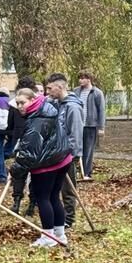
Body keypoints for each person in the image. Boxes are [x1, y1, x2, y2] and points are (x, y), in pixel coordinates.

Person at [11, 87, 73, 248]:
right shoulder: (48, 109)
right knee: (54, 197)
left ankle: (48, 237)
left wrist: (16, 170)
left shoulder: (36, 120)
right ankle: (60, 235)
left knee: (43, 198)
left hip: (47, 164)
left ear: (32, 100)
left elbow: (30, 152)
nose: (19, 106)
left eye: (22, 103)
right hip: (62, 159)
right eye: (17, 103)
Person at [44, 73, 84, 232]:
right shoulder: (58, 104)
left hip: (67, 155)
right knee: (55, 188)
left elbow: (75, 133)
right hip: (56, 153)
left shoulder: (72, 107)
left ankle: (69, 219)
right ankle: (59, 217)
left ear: (60, 87)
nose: (47, 92)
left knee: (68, 188)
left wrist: (71, 156)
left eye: (49, 88)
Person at [9, 75, 38, 214]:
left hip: (29, 143)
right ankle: (26, 203)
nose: (20, 106)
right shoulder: (22, 102)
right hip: (25, 143)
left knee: (23, 173)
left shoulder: (37, 108)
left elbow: (10, 124)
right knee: (25, 173)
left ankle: (23, 202)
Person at [76, 71, 106, 179]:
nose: (80, 80)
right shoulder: (76, 91)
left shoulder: (97, 93)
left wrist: (101, 127)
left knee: (88, 149)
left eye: (83, 78)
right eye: (79, 78)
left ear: (89, 79)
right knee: (76, 148)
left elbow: (101, 111)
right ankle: (76, 171)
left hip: (90, 125)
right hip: (78, 125)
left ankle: (87, 172)